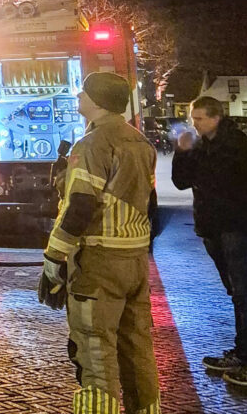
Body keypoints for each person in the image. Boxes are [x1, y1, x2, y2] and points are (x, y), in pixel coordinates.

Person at [37, 72, 161, 413]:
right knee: (137, 349)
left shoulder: (91, 145)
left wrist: (54, 257)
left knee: (94, 351)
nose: (78, 96)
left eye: (84, 92)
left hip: (99, 263)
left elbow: (81, 205)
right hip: (135, 260)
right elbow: (150, 204)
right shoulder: (141, 143)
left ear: (98, 101)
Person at [172, 95, 247, 386]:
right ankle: (242, 352)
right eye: (193, 119)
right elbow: (180, 181)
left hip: (234, 228)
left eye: (199, 119)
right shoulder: (199, 144)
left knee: (243, 292)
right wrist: (182, 151)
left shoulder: (237, 144)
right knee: (235, 292)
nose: (195, 124)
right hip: (211, 228)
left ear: (216, 117)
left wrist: (224, 202)